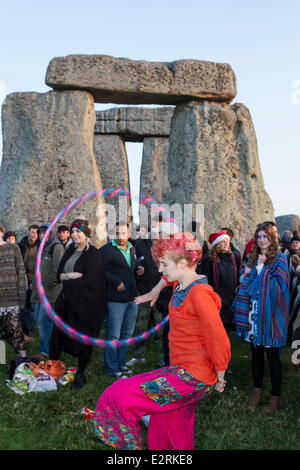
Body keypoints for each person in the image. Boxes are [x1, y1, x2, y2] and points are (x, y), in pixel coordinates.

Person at [93, 232, 230, 450]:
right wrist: (156, 289)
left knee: (118, 394)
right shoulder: (181, 283)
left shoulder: (199, 295)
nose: (159, 270)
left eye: (164, 264)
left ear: (184, 263)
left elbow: (218, 337)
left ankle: (126, 445)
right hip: (182, 370)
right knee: (168, 423)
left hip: (192, 377)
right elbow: (168, 277)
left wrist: (220, 376)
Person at [233, 223, 290, 413]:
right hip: (252, 316)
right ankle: (256, 393)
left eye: (265, 236)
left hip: (270, 317)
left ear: (272, 238)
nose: (261, 240)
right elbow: (244, 281)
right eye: (258, 237)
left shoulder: (280, 259)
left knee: (273, 357)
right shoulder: (251, 257)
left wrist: (260, 269)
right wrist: (248, 273)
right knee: (256, 355)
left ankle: (276, 398)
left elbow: (280, 288)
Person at [49, 219, 106, 389]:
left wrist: (70, 278)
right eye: (72, 231)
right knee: (57, 335)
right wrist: (69, 276)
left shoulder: (93, 254)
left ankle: (80, 373)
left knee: (83, 338)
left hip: (85, 306)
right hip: (66, 302)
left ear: (86, 233)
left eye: (78, 231)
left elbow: (91, 281)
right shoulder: (70, 250)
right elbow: (59, 274)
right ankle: (52, 369)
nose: (74, 235)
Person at [99, 221, 143, 378]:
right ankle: (111, 368)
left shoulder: (132, 248)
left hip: (132, 298)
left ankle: (121, 363)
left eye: (124, 233)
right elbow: (98, 270)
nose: (120, 236)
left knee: (126, 334)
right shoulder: (105, 250)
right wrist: (115, 281)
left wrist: (138, 267)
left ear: (129, 234)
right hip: (115, 300)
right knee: (113, 336)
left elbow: (129, 266)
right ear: (113, 234)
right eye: (117, 233)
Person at [31, 224, 65, 359]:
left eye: (45, 233)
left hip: (50, 294)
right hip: (40, 292)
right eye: (40, 233)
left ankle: (47, 351)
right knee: (40, 321)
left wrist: (43, 287)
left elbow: (57, 272)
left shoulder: (57, 248)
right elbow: (39, 269)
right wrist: (34, 284)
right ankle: (50, 348)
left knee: (43, 322)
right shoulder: (43, 248)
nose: (41, 236)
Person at [197, 231, 241, 331]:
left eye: (227, 241)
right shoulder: (209, 260)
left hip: (231, 296)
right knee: (218, 328)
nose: (226, 243)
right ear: (217, 244)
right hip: (217, 298)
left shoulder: (232, 258)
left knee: (228, 328)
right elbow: (205, 280)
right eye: (223, 241)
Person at [0, 224, 27, 359]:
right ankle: (1, 360)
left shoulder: (13, 248)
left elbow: (21, 272)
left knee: (15, 331)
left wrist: (22, 296)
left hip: (11, 299)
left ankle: (23, 362)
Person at [18, 224, 40, 341]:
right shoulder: (20, 245)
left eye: (37, 232)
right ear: (28, 232)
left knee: (32, 306)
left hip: (34, 280)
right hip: (22, 280)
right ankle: (20, 331)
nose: (34, 234)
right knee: (22, 306)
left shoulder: (40, 246)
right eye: (32, 232)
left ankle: (27, 330)